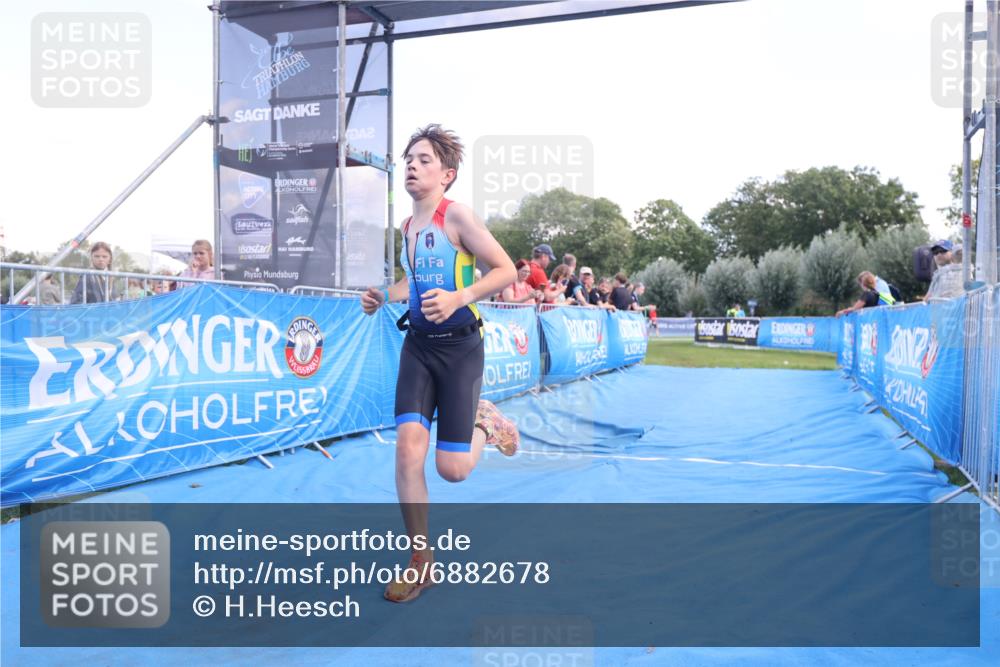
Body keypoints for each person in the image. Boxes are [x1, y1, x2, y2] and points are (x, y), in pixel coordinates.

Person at [360, 124, 519, 604]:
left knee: (452, 470)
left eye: (424, 159)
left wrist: (460, 297)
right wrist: (382, 296)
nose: (412, 165)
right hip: (419, 349)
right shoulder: (407, 228)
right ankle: (421, 562)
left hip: (461, 350)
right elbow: (413, 282)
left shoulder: (458, 218)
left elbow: (506, 270)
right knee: (407, 451)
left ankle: (484, 424)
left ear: (447, 174)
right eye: (408, 158)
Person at [835, 271, 901, 317]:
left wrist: (842, 312)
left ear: (863, 284)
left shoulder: (867, 294)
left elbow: (854, 309)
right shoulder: (877, 294)